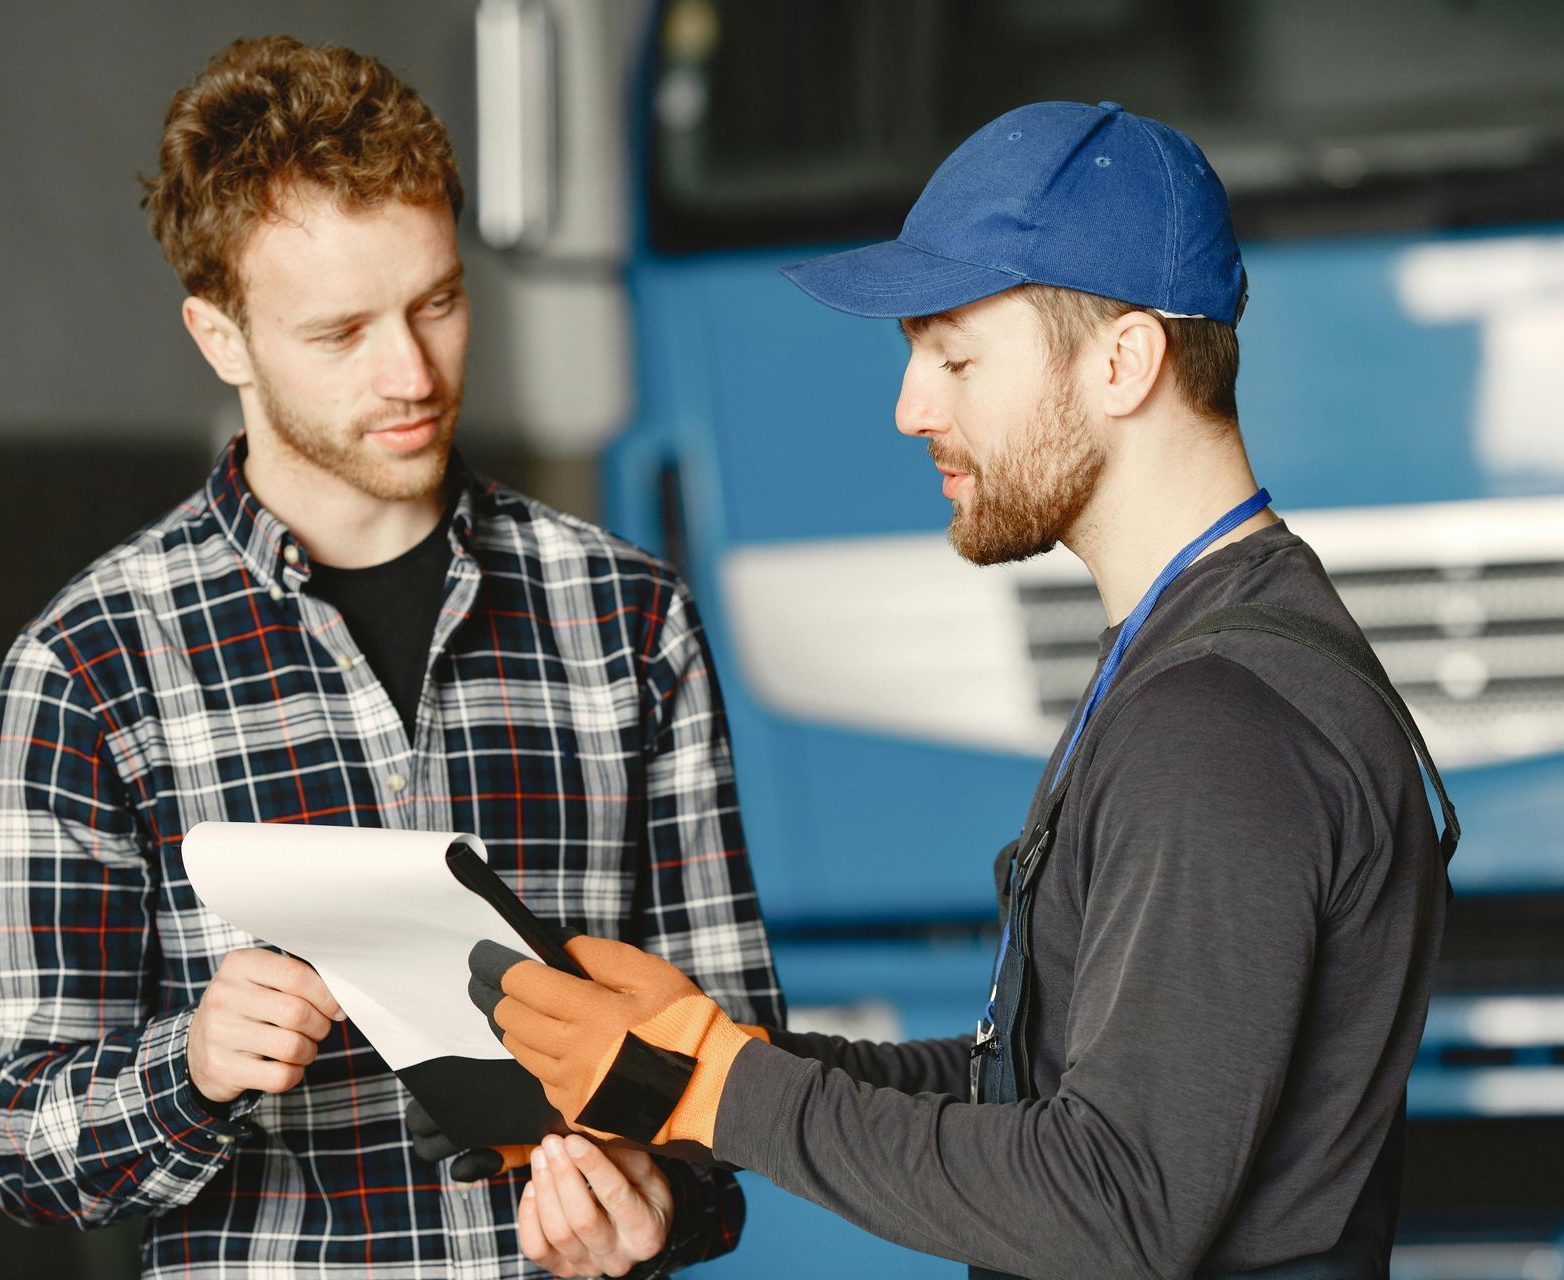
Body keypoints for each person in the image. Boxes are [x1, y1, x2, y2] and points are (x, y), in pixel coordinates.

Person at [467, 101, 1455, 1279]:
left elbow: (1116, 1204)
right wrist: (708, 1057)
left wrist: (720, 1086)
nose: (911, 407)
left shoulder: (1215, 729)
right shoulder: (1201, 657)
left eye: (956, 355)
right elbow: (1030, 1085)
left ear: (1123, 361)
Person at [0, 35, 782, 1279]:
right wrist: (188, 1069)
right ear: (220, 335)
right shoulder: (86, 667)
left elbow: (743, 1068)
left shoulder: (627, 616)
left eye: (438, 303)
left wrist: (664, 1202)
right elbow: (15, 1139)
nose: (411, 372)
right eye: (341, 331)